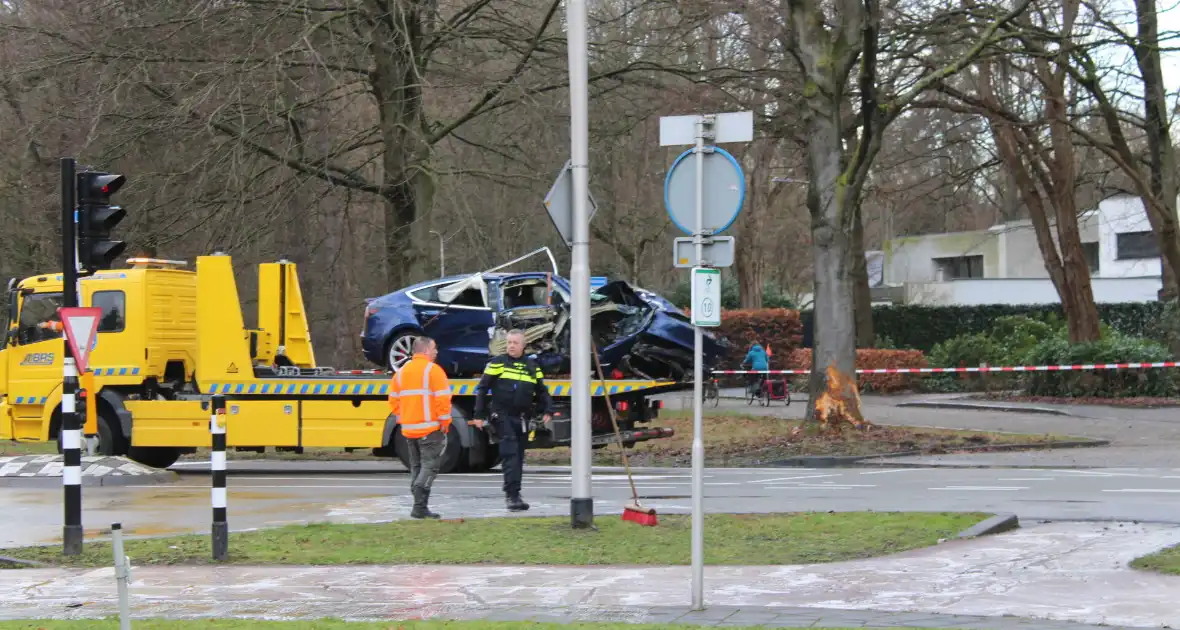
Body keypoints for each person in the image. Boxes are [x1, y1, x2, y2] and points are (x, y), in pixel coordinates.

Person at [473, 329, 553, 512]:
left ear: (523, 346)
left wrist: (547, 409)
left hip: (523, 418)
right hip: (502, 417)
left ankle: (516, 493)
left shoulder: (532, 366)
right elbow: (482, 389)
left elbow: (542, 390)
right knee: (510, 455)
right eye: (509, 342)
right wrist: (479, 415)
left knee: (518, 456)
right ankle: (512, 496)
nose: (511, 346)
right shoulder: (497, 363)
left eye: (515, 343)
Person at [388, 335, 453, 519]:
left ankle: (419, 507)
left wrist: (405, 417)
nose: (436, 352)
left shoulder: (401, 372)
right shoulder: (433, 371)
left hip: (409, 430)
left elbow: (393, 400)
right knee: (429, 467)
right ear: (425, 350)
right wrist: (444, 422)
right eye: (434, 348)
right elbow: (443, 400)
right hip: (430, 430)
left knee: (417, 467)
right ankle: (419, 497)